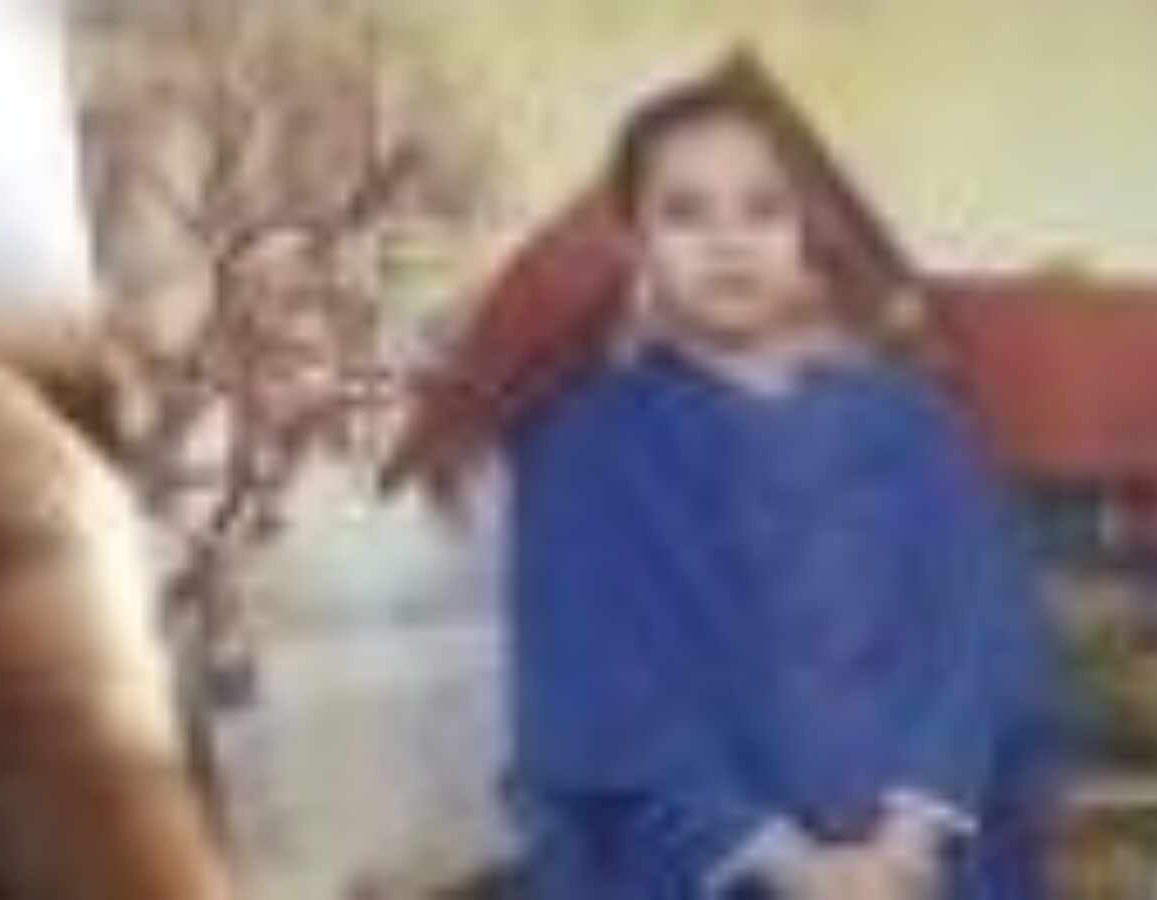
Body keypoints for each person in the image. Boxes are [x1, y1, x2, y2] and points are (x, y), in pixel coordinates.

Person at [383, 51, 1063, 900]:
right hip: (707, 870)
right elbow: (605, 697)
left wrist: (908, 843)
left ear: (804, 230)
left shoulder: (914, 427)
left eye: (763, 209)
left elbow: (977, 640)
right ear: (634, 242)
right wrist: (790, 864)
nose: (729, 242)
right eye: (685, 213)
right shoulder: (588, 454)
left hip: (933, 870)